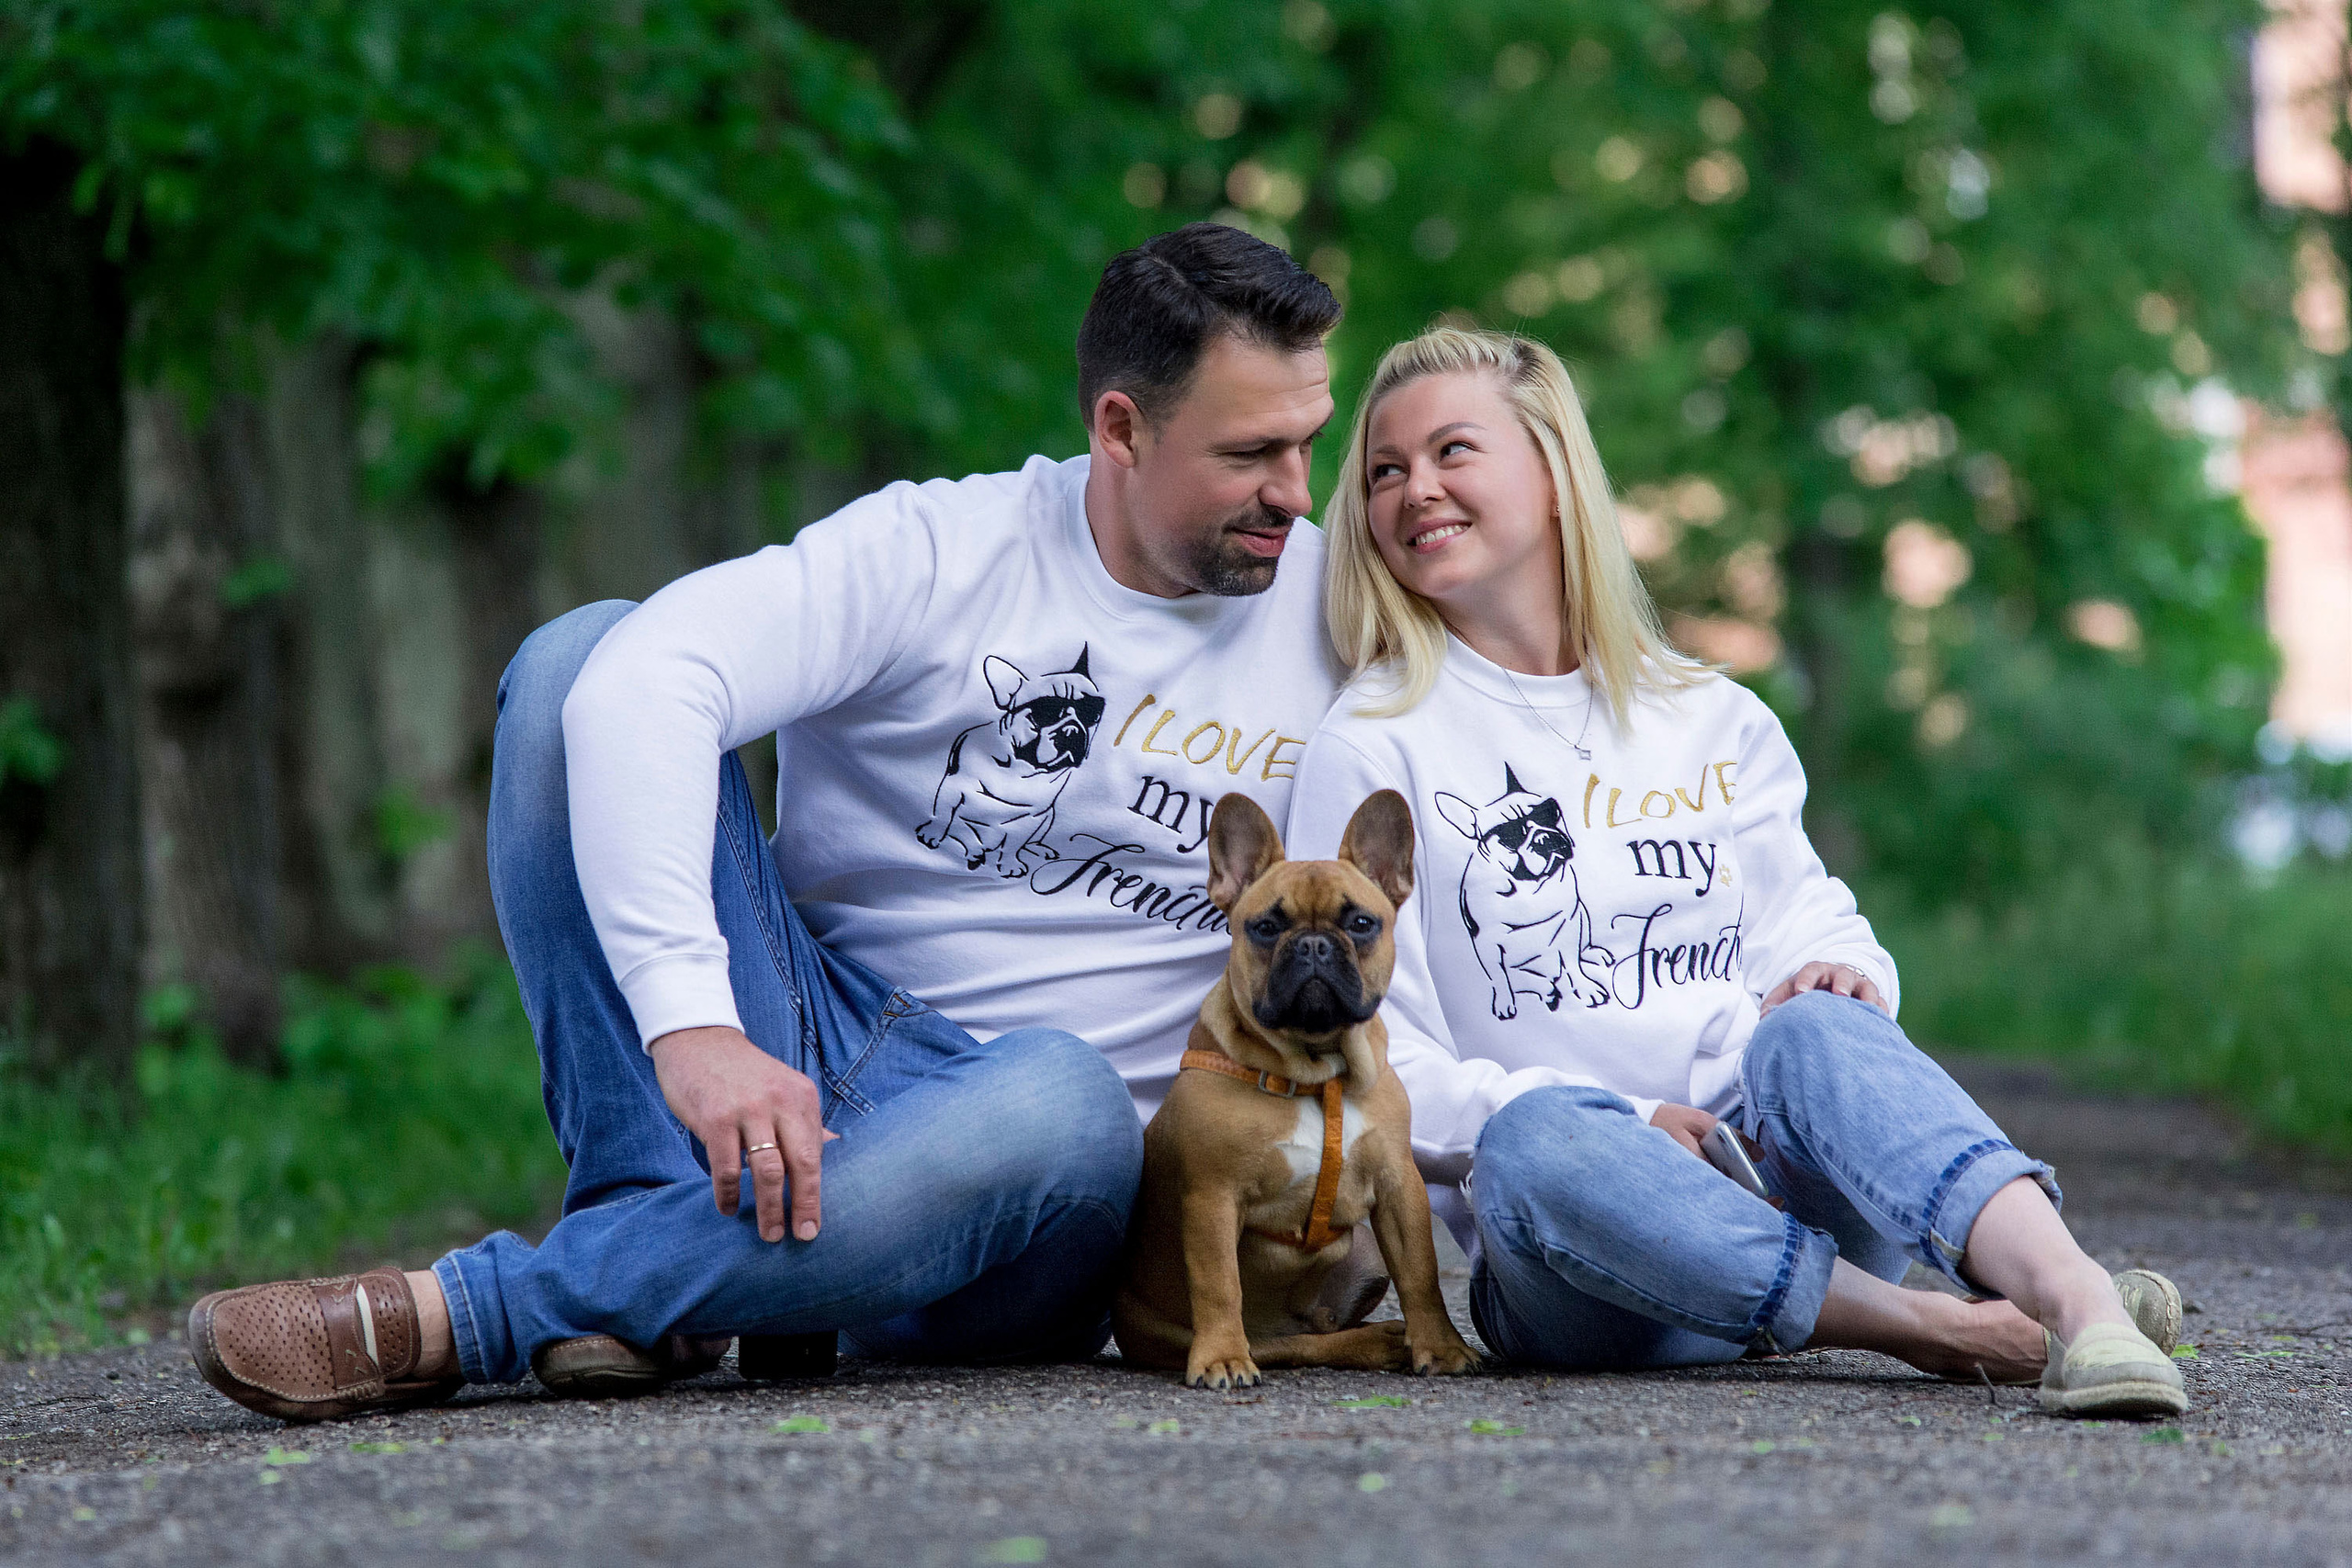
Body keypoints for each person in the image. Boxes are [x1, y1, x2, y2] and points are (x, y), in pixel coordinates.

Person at [188, 222, 1348, 1423]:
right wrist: (693, 1023)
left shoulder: (1340, 613)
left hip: (1040, 1185)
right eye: (1251, 453)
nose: (1295, 492)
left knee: (1064, 1095)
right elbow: (647, 681)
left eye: (1308, 443)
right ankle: (646, 1237)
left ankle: (475, 1312)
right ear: (1120, 428)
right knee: (580, 660)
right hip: (812, 1045)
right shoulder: (941, 550)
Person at [1283, 325, 2188, 1417]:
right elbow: (1374, 1064)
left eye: (1451, 451)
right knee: (1528, 1139)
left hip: (1783, 1190)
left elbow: (1812, 919)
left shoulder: (1709, 715)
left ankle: (2077, 1302)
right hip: (1587, 1255)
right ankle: (1938, 1329)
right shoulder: (1372, 745)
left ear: (1555, 474)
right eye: (1384, 472)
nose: (1414, 488)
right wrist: (1627, 1119)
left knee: (1813, 1029)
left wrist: (1843, 973)